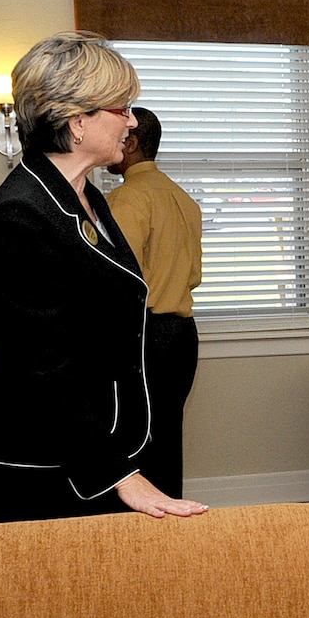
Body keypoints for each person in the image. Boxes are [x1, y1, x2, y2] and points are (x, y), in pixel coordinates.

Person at [0, 31, 208, 524]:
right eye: (122, 108)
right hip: (33, 469)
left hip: (86, 455)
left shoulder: (84, 196)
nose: (132, 122)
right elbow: (40, 367)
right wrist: (121, 476)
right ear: (77, 121)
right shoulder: (21, 214)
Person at [104, 106, 203, 499]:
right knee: (166, 441)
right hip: (182, 336)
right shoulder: (183, 198)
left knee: (138, 445)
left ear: (132, 143)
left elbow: (120, 280)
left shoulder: (128, 199)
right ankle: (171, 535)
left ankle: (144, 542)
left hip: (147, 335)